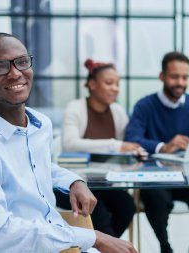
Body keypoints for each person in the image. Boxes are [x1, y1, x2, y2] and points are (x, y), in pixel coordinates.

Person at [0, 32, 136, 253]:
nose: (15, 73)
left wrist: (75, 182)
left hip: (55, 240)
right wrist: (93, 237)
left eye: (21, 62)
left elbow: (40, 167)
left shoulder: (41, 125)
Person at [125, 51, 189, 253]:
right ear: (162, 76)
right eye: (174, 76)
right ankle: (165, 246)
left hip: (187, 177)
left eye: (185, 77)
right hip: (155, 177)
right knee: (155, 200)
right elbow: (131, 139)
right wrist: (163, 147)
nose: (180, 82)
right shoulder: (145, 106)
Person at [55, 59, 144, 238]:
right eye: (109, 83)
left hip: (103, 183)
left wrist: (132, 149)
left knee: (127, 206)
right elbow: (70, 144)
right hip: (71, 184)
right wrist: (115, 145)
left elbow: (125, 145)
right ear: (92, 84)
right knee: (98, 211)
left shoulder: (117, 112)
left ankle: (102, 247)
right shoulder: (76, 107)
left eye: (117, 84)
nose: (115, 88)